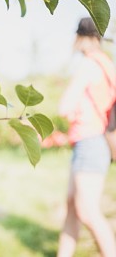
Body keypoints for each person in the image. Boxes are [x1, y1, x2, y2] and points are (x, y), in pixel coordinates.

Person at [57, 17, 116, 257]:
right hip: (93, 141)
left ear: (81, 38)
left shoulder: (89, 65)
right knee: (72, 206)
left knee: (86, 210)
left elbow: (65, 106)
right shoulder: (107, 64)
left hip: (90, 140)